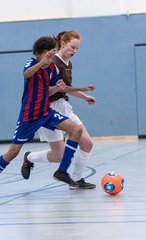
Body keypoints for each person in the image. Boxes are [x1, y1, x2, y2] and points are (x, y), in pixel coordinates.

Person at [0, 36, 84, 198]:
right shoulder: (32, 64)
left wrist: (59, 88)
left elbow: (48, 91)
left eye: (53, 54)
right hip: (29, 116)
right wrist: (41, 63)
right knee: (12, 153)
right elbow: (26, 75)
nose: (51, 57)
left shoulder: (52, 69)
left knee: (76, 130)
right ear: (40, 53)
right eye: (49, 54)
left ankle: (62, 171)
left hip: (46, 112)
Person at [21, 31, 96, 190]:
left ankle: (76, 180)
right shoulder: (51, 62)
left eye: (77, 48)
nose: (74, 51)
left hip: (65, 107)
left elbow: (66, 89)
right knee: (58, 156)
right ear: (62, 44)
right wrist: (77, 90)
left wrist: (84, 97)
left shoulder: (68, 64)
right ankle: (30, 157)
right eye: (72, 47)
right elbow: (45, 91)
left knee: (87, 143)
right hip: (49, 110)